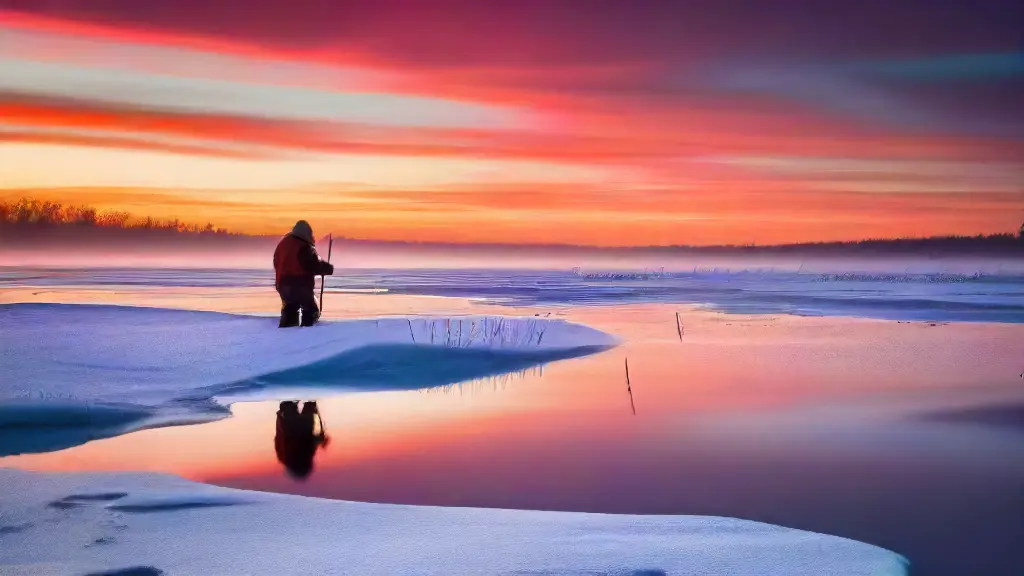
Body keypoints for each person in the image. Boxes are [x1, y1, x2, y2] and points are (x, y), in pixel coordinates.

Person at [273, 220, 334, 327]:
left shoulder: (283, 244)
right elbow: (311, 265)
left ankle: (286, 332)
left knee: (290, 308)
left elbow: (276, 262)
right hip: (300, 285)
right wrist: (327, 268)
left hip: (282, 284)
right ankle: (307, 334)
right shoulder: (303, 246)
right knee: (310, 309)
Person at [274, 400, 330, 480]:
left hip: (294, 427)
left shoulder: (286, 457)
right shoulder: (285, 457)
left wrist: (320, 439)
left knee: (306, 402)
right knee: (303, 402)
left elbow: (278, 437)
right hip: (295, 427)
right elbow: (278, 437)